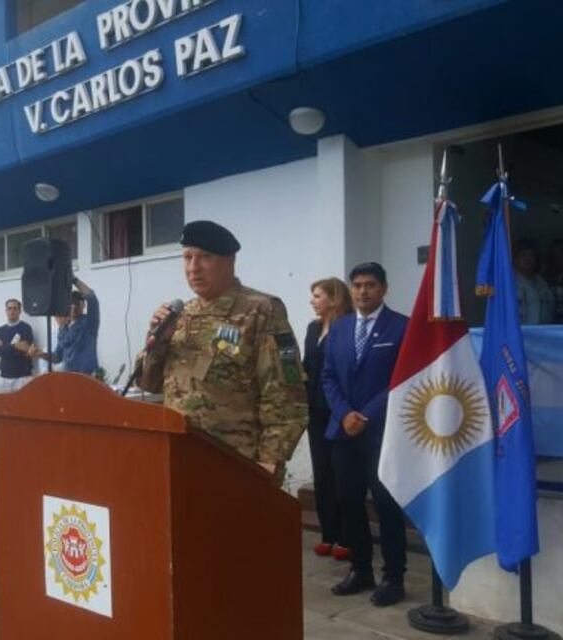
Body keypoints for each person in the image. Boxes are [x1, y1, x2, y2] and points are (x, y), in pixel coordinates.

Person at [137, 220, 307, 476]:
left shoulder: (262, 310)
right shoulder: (179, 314)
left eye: (205, 257)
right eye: (187, 257)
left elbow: (286, 389)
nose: (193, 268)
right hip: (179, 457)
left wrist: (271, 460)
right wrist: (158, 341)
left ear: (230, 261)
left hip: (236, 462)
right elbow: (146, 382)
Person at [322, 262, 409, 607]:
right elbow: (327, 376)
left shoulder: (402, 328)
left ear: (384, 288)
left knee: (387, 506)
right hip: (344, 433)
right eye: (356, 285)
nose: (362, 292)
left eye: (370, 285)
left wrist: (366, 415)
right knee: (349, 502)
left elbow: (403, 379)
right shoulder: (340, 328)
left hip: (382, 434)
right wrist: (344, 414)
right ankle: (361, 570)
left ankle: (394, 576)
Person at [304, 277, 353, 561]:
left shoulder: (347, 326)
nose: (312, 301)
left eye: (317, 295)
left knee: (341, 474)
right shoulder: (312, 328)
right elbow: (308, 364)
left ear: (334, 297)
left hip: (339, 410)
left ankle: (347, 536)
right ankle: (328, 533)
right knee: (322, 473)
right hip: (315, 410)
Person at [31, 278, 100, 375]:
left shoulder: (89, 322)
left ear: (83, 305)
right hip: (70, 376)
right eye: (71, 304)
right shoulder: (64, 328)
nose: (74, 307)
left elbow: (92, 298)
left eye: (77, 303)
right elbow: (57, 358)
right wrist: (40, 354)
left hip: (87, 376)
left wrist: (74, 280)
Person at [0, 299, 34, 392]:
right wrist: (14, 346)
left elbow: (24, 351)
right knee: (4, 406)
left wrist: (4, 347)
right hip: (4, 377)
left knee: (24, 406)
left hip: (23, 377)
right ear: (6, 311)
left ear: (20, 311)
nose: (12, 311)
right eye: (9, 308)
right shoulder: (0, 330)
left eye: (15, 308)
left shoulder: (26, 328)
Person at [513, 240, 554, 325]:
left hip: (543, 333)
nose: (527, 259)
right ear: (516, 259)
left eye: (531, 255)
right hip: (521, 333)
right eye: (523, 255)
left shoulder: (543, 284)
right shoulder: (510, 284)